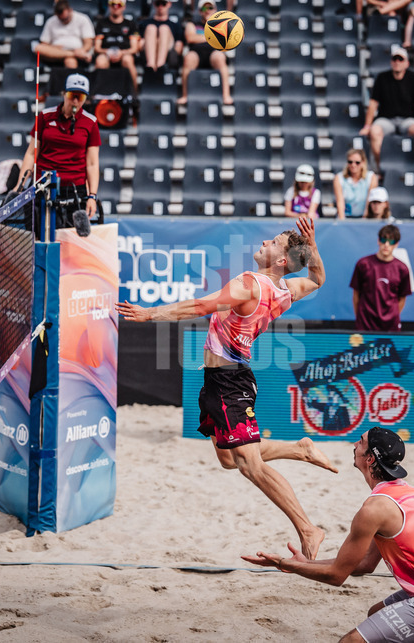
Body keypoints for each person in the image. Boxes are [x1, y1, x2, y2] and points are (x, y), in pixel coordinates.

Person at [116, 217, 337, 561]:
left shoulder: (250, 284)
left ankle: (308, 528)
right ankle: (300, 450)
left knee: (249, 465)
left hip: (231, 382)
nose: (264, 243)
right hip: (220, 380)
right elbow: (319, 279)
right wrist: (313, 246)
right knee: (227, 460)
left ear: (281, 260)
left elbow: (200, 307)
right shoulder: (285, 290)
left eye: (273, 242)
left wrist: (150, 314)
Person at [242, 427, 414, 643]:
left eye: (361, 442)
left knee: (350, 642)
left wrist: (283, 564)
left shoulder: (373, 510)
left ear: (370, 458)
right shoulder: (404, 491)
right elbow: (364, 564)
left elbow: (336, 576)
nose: (354, 444)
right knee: (376, 613)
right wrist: (305, 563)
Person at [17, 74, 101, 221]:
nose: (75, 101)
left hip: (74, 189)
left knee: (69, 238)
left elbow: (92, 164)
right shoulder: (45, 116)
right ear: (64, 94)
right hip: (43, 185)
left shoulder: (91, 122)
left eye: (80, 97)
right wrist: (20, 186)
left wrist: (92, 195)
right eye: (71, 95)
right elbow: (31, 154)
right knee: (37, 233)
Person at [360, 47, 414, 169]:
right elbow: (373, 103)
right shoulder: (382, 77)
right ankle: (382, 168)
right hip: (386, 120)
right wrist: (367, 126)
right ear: (391, 62)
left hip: (408, 120)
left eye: (400, 59)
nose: (397, 62)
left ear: (406, 63)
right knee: (375, 131)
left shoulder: (413, 78)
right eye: (394, 59)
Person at [349, 224, 411, 331]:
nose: (386, 245)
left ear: (396, 244)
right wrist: (360, 318)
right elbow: (356, 295)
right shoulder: (363, 264)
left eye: (391, 241)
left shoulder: (402, 269)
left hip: (391, 327)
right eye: (383, 240)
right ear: (378, 241)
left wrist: (392, 316)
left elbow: (402, 299)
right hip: (365, 324)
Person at [178, 0, 233, 105]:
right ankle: (185, 95)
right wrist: (212, 37)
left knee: (220, 57)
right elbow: (190, 38)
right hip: (196, 54)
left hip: (214, 54)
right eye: (204, 9)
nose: (207, 11)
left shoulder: (221, 25)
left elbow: (225, 41)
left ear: (215, 10)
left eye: (210, 8)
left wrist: (201, 37)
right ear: (199, 11)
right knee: (188, 58)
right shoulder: (192, 24)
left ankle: (226, 95)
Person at [94, 0, 141, 93]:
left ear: (124, 7)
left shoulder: (131, 24)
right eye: (113, 4)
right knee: (100, 61)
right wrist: (108, 52)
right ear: (109, 6)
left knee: (128, 60)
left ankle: (134, 94)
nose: (116, 7)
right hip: (106, 54)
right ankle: (99, 95)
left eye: (119, 4)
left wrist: (121, 53)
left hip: (124, 54)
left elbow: (134, 48)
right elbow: (97, 48)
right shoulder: (101, 23)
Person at [38, 0, 95, 69]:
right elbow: (44, 44)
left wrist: (82, 50)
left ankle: (73, 55)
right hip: (56, 54)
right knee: (38, 48)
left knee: (70, 61)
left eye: (66, 18)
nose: (64, 21)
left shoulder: (83, 18)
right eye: (61, 20)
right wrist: (53, 47)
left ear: (70, 10)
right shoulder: (51, 21)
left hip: (77, 52)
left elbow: (89, 43)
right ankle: (72, 54)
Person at [140, 0, 185, 75]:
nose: (160, 6)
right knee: (151, 28)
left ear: (169, 4)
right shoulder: (145, 24)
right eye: (158, 3)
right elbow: (139, 45)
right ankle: (151, 65)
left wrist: (160, 44)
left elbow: (179, 49)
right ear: (154, 4)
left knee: (164, 29)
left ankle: (160, 64)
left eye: (163, 3)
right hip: (147, 53)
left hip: (169, 53)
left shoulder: (175, 25)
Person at [334, 147, 379, 220]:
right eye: (350, 162)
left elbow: (369, 203)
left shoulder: (371, 177)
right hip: (346, 217)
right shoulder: (339, 178)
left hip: (365, 218)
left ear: (363, 162)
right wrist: (343, 222)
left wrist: (363, 222)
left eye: (357, 162)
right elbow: (340, 203)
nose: (353, 165)